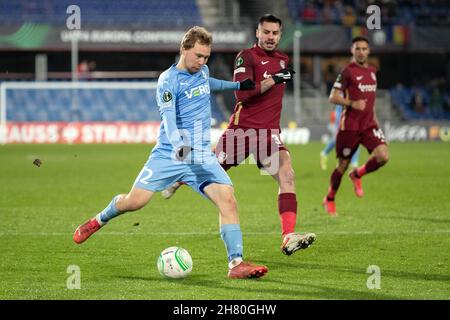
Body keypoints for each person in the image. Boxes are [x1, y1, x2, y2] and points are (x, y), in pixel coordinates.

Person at [72, 26, 268, 279]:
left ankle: (236, 264)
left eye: (206, 57)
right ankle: (98, 220)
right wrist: (181, 148)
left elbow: (210, 84)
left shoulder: (203, 71)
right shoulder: (168, 80)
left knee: (228, 200)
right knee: (135, 202)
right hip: (171, 154)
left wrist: (238, 84)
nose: (202, 61)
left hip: (200, 156)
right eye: (198, 55)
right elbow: (170, 122)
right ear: (183, 50)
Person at [162, 14, 316, 256]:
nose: (270, 37)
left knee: (287, 175)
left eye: (275, 33)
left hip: (268, 135)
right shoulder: (246, 56)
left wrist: (276, 77)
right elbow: (242, 95)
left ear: (280, 34)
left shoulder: (283, 59)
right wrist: (273, 80)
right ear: (257, 32)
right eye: (266, 32)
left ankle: (288, 236)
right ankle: (179, 178)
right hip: (241, 133)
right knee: (211, 168)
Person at [322, 36, 389, 216]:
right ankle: (330, 198)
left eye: (364, 49)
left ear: (369, 51)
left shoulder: (373, 72)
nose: (361, 52)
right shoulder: (347, 71)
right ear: (352, 50)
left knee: (383, 156)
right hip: (350, 126)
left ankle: (357, 174)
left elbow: (370, 103)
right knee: (342, 166)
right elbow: (332, 97)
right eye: (357, 48)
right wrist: (351, 103)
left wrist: (377, 124)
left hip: (368, 124)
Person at [320, 103, 360, 171]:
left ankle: (354, 163)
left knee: (355, 139)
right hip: (340, 117)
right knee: (337, 139)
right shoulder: (342, 95)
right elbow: (336, 101)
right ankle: (324, 153)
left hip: (351, 117)